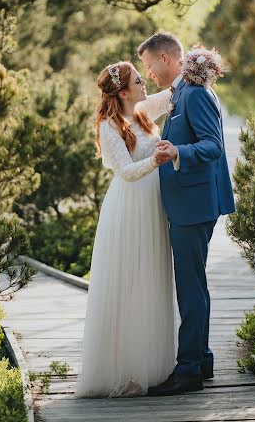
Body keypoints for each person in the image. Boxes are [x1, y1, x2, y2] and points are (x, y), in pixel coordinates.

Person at [138, 32, 236, 397]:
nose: (148, 74)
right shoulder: (182, 93)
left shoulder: (194, 94)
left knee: (190, 286)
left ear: (166, 58)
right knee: (194, 283)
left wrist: (176, 152)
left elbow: (213, 146)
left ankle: (189, 369)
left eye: (149, 66)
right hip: (189, 203)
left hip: (194, 206)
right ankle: (202, 359)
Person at [76, 61, 175, 398]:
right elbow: (126, 172)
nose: (144, 84)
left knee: (150, 280)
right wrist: (156, 160)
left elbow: (173, 95)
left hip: (153, 205)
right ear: (122, 92)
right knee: (130, 284)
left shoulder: (144, 111)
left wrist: (195, 65)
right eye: (138, 81)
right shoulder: (109, 125)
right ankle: (125, 371)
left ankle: (150, 365)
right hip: (129, 208)